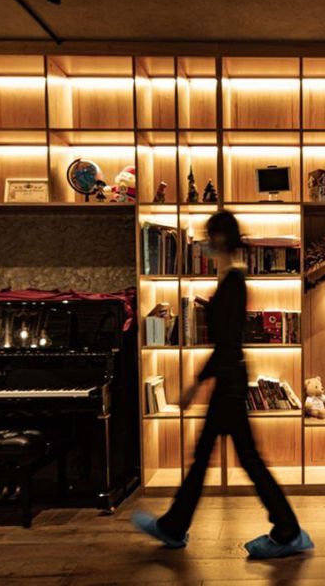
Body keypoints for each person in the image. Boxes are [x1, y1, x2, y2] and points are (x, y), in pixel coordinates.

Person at [132, 211, 313, 559]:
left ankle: (287, 531)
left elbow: (226, 343)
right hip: (230, 381)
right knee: (215, 458)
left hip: (229, 384)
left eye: (209, 236)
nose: (204, 243)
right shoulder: (231, 279)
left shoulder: (234, 283)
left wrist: (195, 385)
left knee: (239, 459)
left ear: (220, 238)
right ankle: (176, 526)